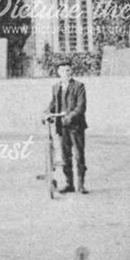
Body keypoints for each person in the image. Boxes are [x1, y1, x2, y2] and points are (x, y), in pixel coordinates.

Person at [43, 62, 88, 194]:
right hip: (62, 127)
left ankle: (81, 185)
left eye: (68, 70)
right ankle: (69, 184)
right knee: (65, 156)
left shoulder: (79, 86)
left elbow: (81, 107)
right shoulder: (56, 87)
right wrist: (46, 113)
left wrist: (70, 116)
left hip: (76, 126)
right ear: (59, 73)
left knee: (79, 156)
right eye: (63, 71)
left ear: (71, 71)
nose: (67, 73)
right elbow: (53, 103)